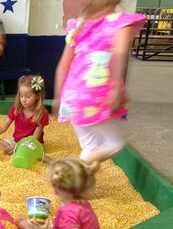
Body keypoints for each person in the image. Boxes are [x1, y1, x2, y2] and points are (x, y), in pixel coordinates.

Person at [53, 0, 146, 163]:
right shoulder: (121, 23)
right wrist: (117, 88)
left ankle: (76, 182)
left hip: (72, 98)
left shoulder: (77, 26)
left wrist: (59, 97)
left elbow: (62, 66)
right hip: (96, 96)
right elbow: (120, 57)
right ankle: (73, 172)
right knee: (115, 142)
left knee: (90, 147)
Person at [15, 157, 101, 229]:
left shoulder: (69, 212)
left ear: (56, 190)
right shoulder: (81, 202)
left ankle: (25, 228)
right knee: (44, 228)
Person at [0, 75, 49, 155]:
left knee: (26, 151)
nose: (23, 100)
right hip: (16, 141)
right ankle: (13, 149)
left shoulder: (42, 113)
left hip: (32, 144)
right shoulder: (16, 109)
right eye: (21, 96)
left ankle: (15, 150)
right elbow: (3, 127)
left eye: (28, 97)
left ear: (38, 96)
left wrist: (17, 145)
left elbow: (35, 138)